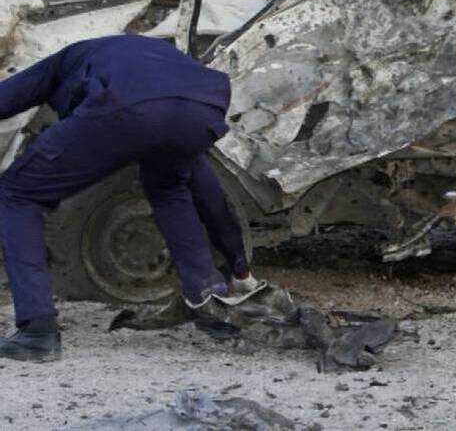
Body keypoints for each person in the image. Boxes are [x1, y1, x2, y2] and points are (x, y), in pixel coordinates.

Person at [0, 35, 267, 362]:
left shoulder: (63, 61)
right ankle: (212, 304)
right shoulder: (161, 61)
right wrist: (240, 267)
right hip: (202, 109)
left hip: (124, 107)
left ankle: (37, 330)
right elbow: (212, 199)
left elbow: (7, 97)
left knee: (17, 193)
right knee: (170, 190)